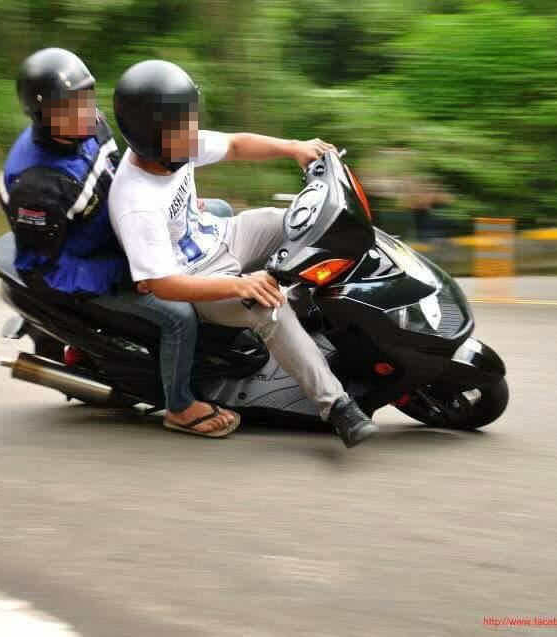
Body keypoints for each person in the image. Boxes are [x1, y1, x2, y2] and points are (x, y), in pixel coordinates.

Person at [108, 60, 379, 448]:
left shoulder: (176, 142)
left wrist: (293, 148)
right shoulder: (136, 200)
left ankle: (319, 306)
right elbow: (161, 284)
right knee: (269, 306)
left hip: (223, 235)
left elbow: (235, 145)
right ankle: (336, 406)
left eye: (190, 119)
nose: (192, 133)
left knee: (293, 223)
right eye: (181, 126)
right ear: (151, 135)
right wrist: (238, 286)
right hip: (198, 278)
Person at [0, 48, 239, 437]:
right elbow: (45, 269)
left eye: (86, 98)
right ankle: (180, 405)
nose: (84, 112)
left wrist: (171, 206)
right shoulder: (38, 185)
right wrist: (124, 273)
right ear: (41, 114)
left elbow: (128, 168)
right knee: (178, 315)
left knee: (222, 210)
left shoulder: (88, 122)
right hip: (90, 264)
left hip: (118, 231)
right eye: (68, 107)